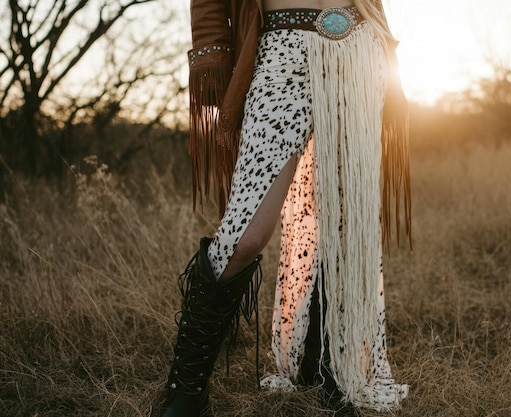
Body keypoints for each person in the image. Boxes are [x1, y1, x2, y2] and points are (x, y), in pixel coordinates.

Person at [159, 0, 412, 416]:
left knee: (345, 227)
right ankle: (186, 388)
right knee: (246, 235)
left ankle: (331, 374)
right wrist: (213, 58)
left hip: (358, 51)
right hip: (279, 51)